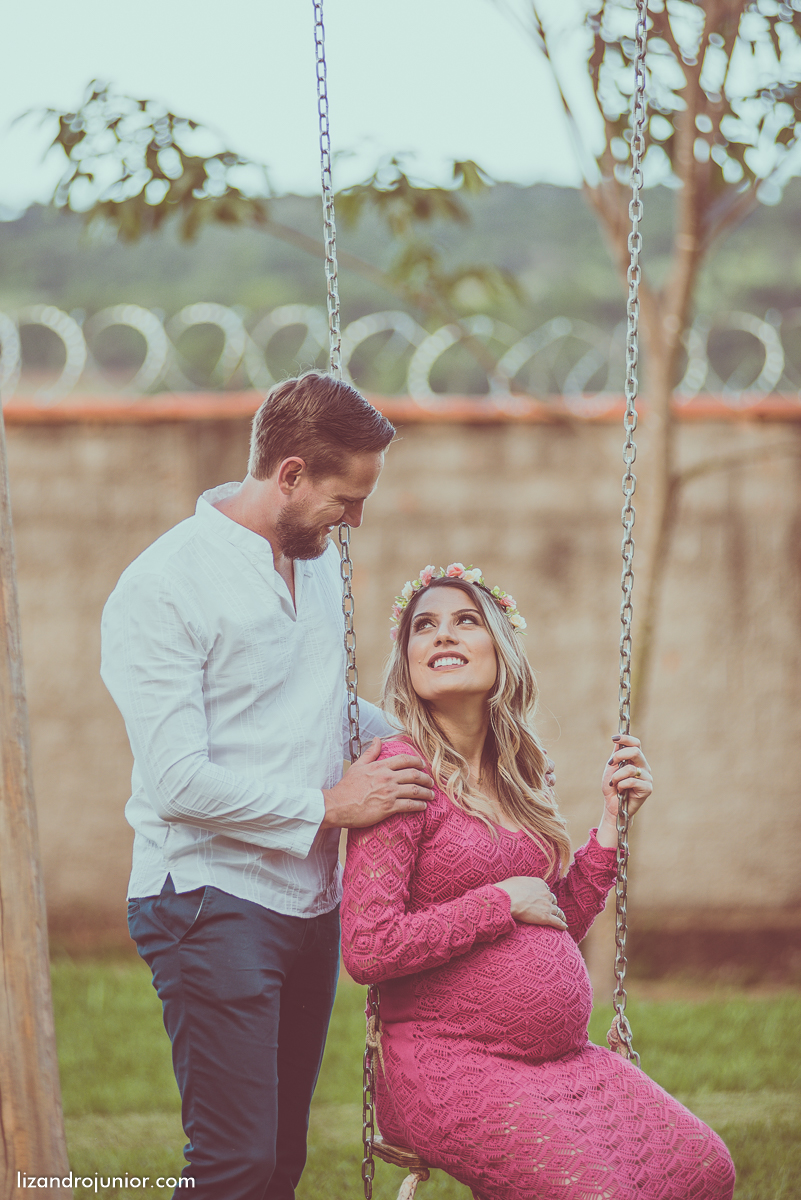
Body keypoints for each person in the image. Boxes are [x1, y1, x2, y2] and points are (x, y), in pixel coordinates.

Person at [100, 372, 444, 1200]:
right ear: (288, 474)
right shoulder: (162, 587)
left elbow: (323, 708)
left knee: (279, 1165)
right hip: (208, 900)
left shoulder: (315, 562)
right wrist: (333, 807)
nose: (356, 519)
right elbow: (178, 780)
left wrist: (438, 746)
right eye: (345, 497)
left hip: (309, 906)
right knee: (236, 1167)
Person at [341, 564, 736, 1200]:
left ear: (501, 646)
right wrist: (498, 901)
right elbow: (369, 947)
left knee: (701, 1169)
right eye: (425, 626)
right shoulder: (401, 770)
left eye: (465, 621)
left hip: (559, 1062)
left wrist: (608, 824)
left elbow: (555, 919)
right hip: (449, 1064)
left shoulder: (522, 774)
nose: (443, 635)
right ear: (407, 660)